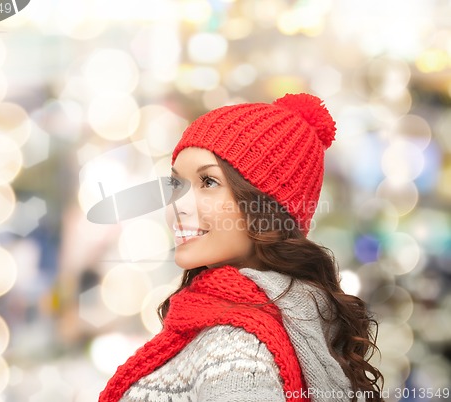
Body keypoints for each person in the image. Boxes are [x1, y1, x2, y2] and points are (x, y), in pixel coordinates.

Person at [99, 93, 384, 402]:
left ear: (267, 209)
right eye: (176, 184)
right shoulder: (267, 316)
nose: (177, 205)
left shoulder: (238, 352)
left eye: (208, 182)